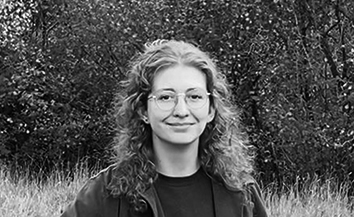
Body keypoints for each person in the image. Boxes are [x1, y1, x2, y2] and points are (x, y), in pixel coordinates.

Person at [61, 39, 268, 217]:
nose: (181, 110)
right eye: (166, 97)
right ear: (143, 109)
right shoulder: (107, 193)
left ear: (211, 109)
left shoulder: (240, 193)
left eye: (194, 96)